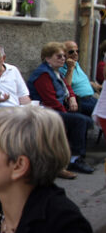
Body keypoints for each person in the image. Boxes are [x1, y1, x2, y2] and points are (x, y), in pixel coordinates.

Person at [27, 42, 94, 174]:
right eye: (59, 56)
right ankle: (74, 159)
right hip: (45, 112)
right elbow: (50, 100)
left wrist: (72, 97)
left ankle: (74, 155)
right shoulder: (43, 74)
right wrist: (66, 112)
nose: (63, 59)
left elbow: (67, 86)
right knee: (79, 120)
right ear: (47, 58)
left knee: (86, 120)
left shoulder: (55, 71)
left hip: (58, 108)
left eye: (64, 56)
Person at [60, 41, 100, 117]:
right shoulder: (61, 68)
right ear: (63, 54)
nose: (75, 54)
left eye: (77, 51)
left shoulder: (77, 64)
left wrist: (94, 85)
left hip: (91, 98)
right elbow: (65, 86)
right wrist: (70, 68)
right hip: (80, 101)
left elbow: (80, 81)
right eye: (71, 52)